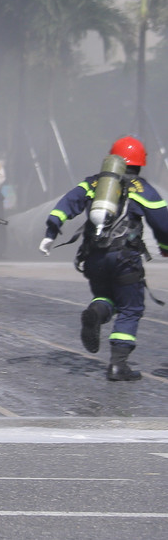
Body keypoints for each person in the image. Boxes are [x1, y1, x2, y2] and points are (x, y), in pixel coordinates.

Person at [40, 135, 168, 382]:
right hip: (124, 258)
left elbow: (65, 205)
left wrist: (50, 232)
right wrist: (165, 246)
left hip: (94, 257)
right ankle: (118, 365)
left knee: (106, 297)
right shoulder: (141, 188)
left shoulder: (93, 184)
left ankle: (97, 313)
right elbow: (162, 223)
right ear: (140, 162)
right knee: (131, 307)